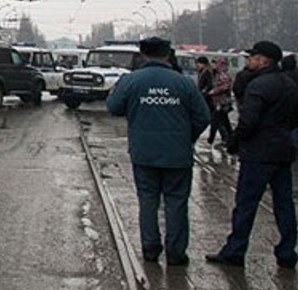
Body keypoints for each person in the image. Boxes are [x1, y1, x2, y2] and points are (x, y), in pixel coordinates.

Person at [106, 36, 210, 267]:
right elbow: (203, 117)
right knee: (176, 202)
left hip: (143, 153)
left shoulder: (131, 80)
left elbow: (113, 108)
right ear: (167, 54)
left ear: (143, 54)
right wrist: (187, 138)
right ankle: (176, 253)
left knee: (147, 200)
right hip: (177, 154)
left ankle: (150, 249)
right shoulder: (184, 83)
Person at [206, 40, 298, 269]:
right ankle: (287, 252)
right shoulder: (290, 84)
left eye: (252, 57)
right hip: (283, 152)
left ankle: (235, 251)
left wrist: (234, 143)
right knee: (284, 204)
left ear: (263, 60)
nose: (248, 61)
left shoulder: (258, 86)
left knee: (246, 204)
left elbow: (248, 121)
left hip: (257, 153)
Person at [206, 56, 235, 148]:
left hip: (222, 103)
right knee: (224, 122)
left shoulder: (223, 75)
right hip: (218, 102)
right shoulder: (217, 74)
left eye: (216, 63)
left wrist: (213, 91)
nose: (214, 65)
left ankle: (212, 138)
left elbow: (226, 86)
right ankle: (230, 139)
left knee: (216, 120)